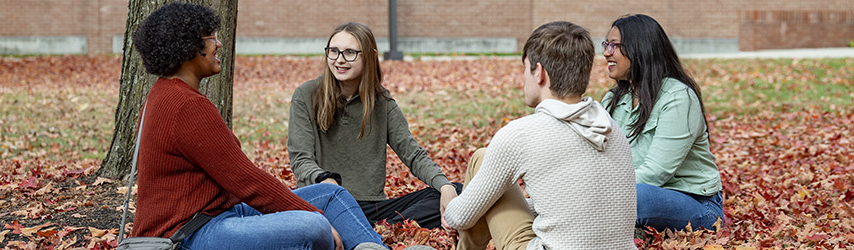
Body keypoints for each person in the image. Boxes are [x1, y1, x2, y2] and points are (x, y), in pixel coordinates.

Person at [128, 3, 386, 249]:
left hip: (215, 213)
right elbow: (246, 181)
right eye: (211, 37)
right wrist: (313, 215)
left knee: (331, 195)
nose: (218, 43)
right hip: (187, 236)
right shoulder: (186, 106)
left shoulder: (164, 93)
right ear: (189, 48)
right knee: (313, 226)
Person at [444, 21, 638, 250]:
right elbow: (572, 206)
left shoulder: (520, 135)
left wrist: (448, 198)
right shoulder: (611, 128)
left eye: (525, 68)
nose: (523, 78)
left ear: (540, 73)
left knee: (482, 158)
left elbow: (460, 218)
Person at [288, 22, 461, 230]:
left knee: (456, 192)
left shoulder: (382, 103)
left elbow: (413, 155)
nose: (339, 60)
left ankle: (378, 230)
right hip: (324, 200)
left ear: (369, 56)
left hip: (371, 208)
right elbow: (301, 159)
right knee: (315, 219)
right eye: (333, 51)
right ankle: (368, 231)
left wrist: (445, 186)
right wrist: (326, 181)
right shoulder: (306, 95)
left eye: (350, 52)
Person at [600, 14, 724, 232]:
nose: (606, 52)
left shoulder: (677, 98)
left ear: (640, 49)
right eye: (606, 44)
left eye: (615, 45)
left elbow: (655, 173)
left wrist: (596, 193)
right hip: (628, 194)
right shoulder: (612, 100)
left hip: (696, 205)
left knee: (638, 197)